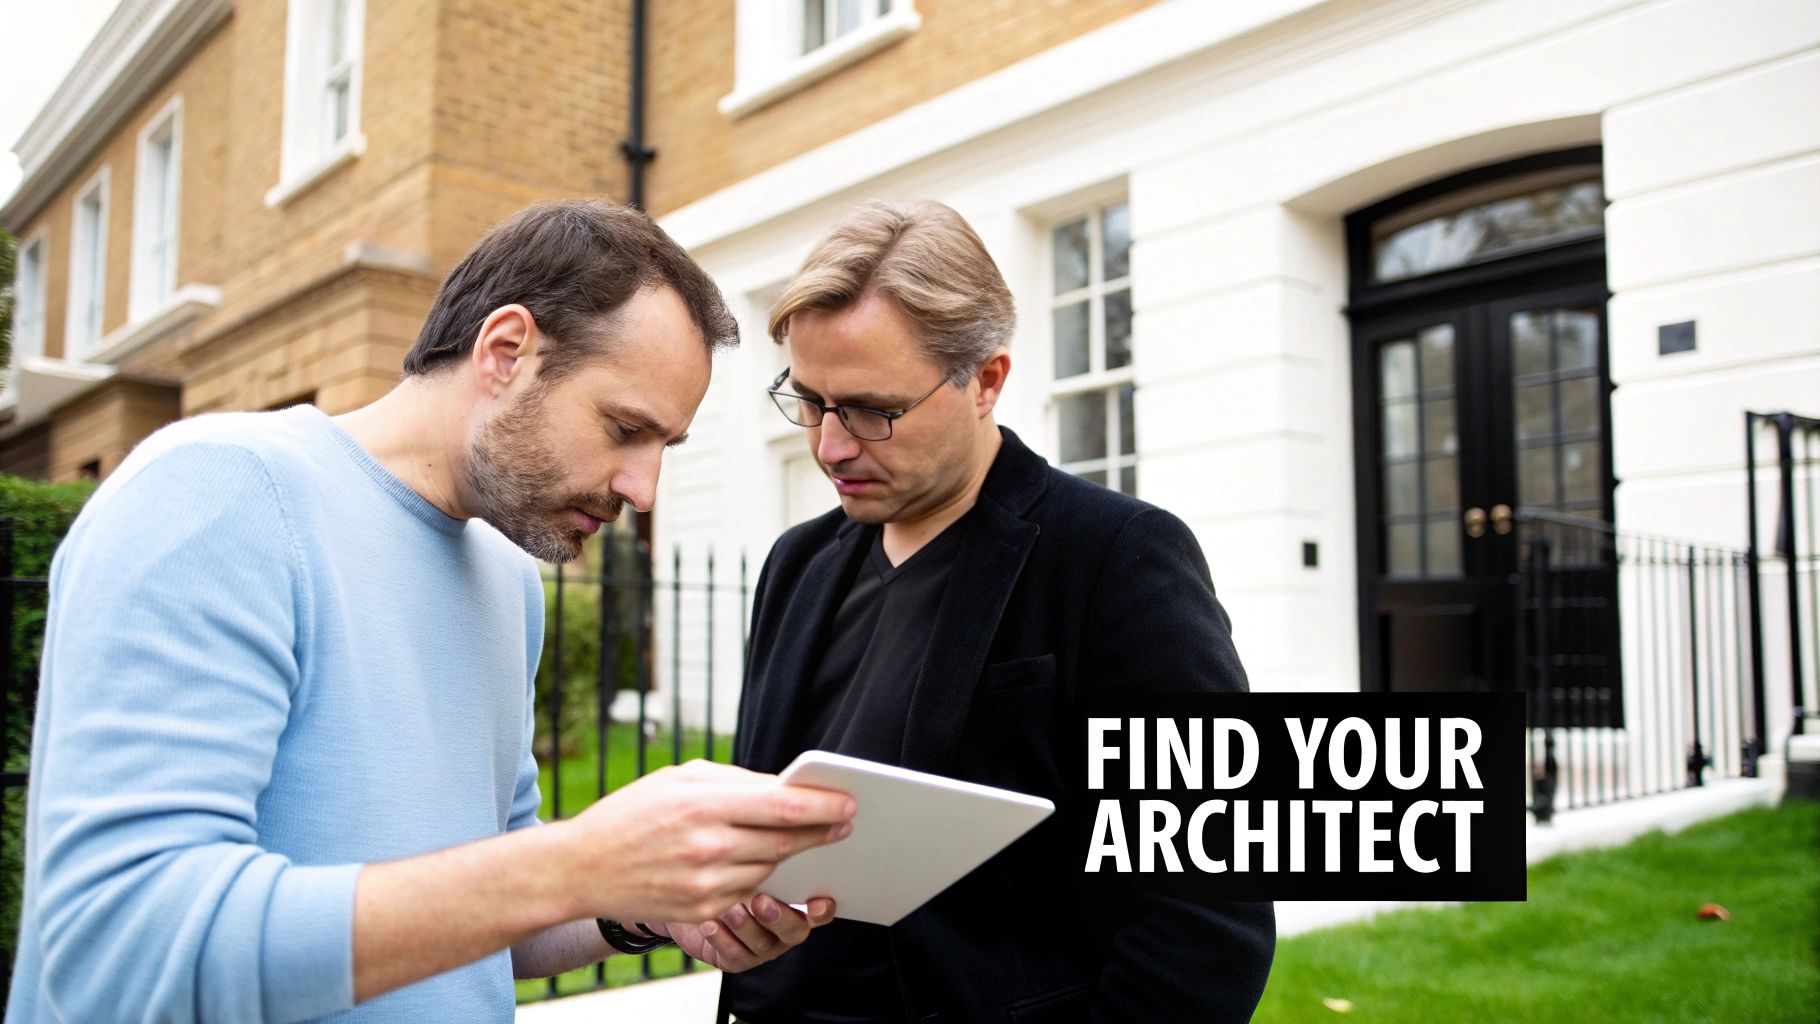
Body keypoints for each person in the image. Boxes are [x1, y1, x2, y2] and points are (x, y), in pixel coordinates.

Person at [6, 199, 856, 1023]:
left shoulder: (505, 575)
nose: (642, 488)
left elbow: (484, 912)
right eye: (624, 428)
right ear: (506, 351)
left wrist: (636, 904)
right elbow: (119, 946)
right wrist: (577, 861)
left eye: (662, 447)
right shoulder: (221, 494)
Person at [720, 200, 1276, 1023]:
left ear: (986, 381)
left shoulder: (1117, 558)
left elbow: (1209, 911)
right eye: (809, 401)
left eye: (873, 410)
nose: (831, 445)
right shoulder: (796, 563)